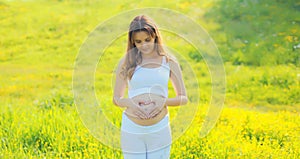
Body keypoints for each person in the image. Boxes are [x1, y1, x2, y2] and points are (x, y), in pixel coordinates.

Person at [113, 15, 188, 159]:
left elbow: (183, 98)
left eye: (148, 40)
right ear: (133, 42)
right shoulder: (127, 62)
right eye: (139, 42)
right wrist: (130, 103)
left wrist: (163, 102)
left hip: (159, 129)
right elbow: (116, 98)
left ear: (155, 36)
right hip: (132, 129)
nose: (144, 45)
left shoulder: (169, 61)